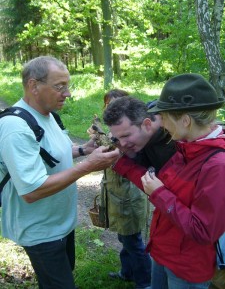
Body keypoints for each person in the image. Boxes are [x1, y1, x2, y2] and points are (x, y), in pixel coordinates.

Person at [0, 55, 120, 289]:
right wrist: (88, 166)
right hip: (41, 231)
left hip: (61, 223)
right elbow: (31, 191)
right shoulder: (15, 127)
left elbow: (48, 154)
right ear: (33, 85)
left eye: (67, 85)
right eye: (59, 86)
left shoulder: (47, 115)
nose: (68, 93)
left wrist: (84, 149)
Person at [108, 73, 225, 289]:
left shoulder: (217, 165)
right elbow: (158, 185)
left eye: (164, 117)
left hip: (187, 265)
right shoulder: (185, 147)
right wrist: (122, 163)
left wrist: (159, 192)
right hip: (163, 251)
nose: (159, 123)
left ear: (186, 120)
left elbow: (203, 231)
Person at [100, 89, 152, 289]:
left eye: (116, 103)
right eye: (108, 104)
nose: (112, 107)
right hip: (115, 194)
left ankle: (145, 283)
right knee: (124, 237)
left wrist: (111, 147)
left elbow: (132, 163)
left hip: (129, 196)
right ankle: (127, 272)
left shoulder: (134, 139)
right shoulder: (111, 132)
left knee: (133, 241)